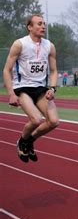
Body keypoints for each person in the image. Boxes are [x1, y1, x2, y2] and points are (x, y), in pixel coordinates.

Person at [3, 14, 60, 163]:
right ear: (30, 27)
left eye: (44, 24)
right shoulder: (20, 44)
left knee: (54, 121)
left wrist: (52, 89)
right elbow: (6, 70)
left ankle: (29, 141)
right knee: (36, 120)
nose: (43, 26)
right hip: (22, 87)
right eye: (39, 24)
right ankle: (22, 141)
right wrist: (11, 94)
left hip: (40, 88)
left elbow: (54, 71)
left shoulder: (49, 46)